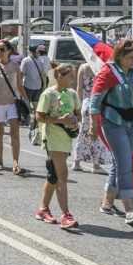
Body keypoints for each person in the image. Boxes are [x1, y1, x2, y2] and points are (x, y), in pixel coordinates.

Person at [91, 38, 133, 226]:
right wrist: (92, 126)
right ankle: (129, 209)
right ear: (119, 56)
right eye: (130, 57)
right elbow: (95, 102)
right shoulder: (108, 72)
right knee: (125, 163)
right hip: (113, 122)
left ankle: (107, 203)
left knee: (118, 162)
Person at [34, 63, 80, 230]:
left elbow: (77, 114)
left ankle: (42, 209)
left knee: (53, 175)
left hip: (66, 138)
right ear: (59, 76)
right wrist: (61, 120)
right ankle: (66, 215)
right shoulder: (48, 94)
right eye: (70, 76)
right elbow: (39, 116)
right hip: (53, 137)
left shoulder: (73, 94)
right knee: (62, 175)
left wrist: (74, 122)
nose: (73, 80)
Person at [0, 40, 28, 175]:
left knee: (14, 134)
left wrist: (28, 102)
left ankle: (16, 162)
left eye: (2, 49)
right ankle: (0, 161)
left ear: (9, 51)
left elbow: (20, 86)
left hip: (12, 103)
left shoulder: (15, 66)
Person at [73, 62, 108, 173]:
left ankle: (76, 162)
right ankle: (96, 164)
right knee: (97, 134)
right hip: (98, 103)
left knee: (83, 133)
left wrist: (77, 106)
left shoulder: (83, 67)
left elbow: (79, 88)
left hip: (86, 102)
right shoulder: (103, 67)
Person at [20, 43, 50, 108]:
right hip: (30, 87)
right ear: (33, 52)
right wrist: (20, 85)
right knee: (30, 103)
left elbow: (43, 74)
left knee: (33, 103)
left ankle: (34, 116)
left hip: (35, 86)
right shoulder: (26, 61)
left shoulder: (38, 60)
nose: (39, 53)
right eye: (37, 52)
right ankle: (30, 116)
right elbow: (21, 74)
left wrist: (44, 86)